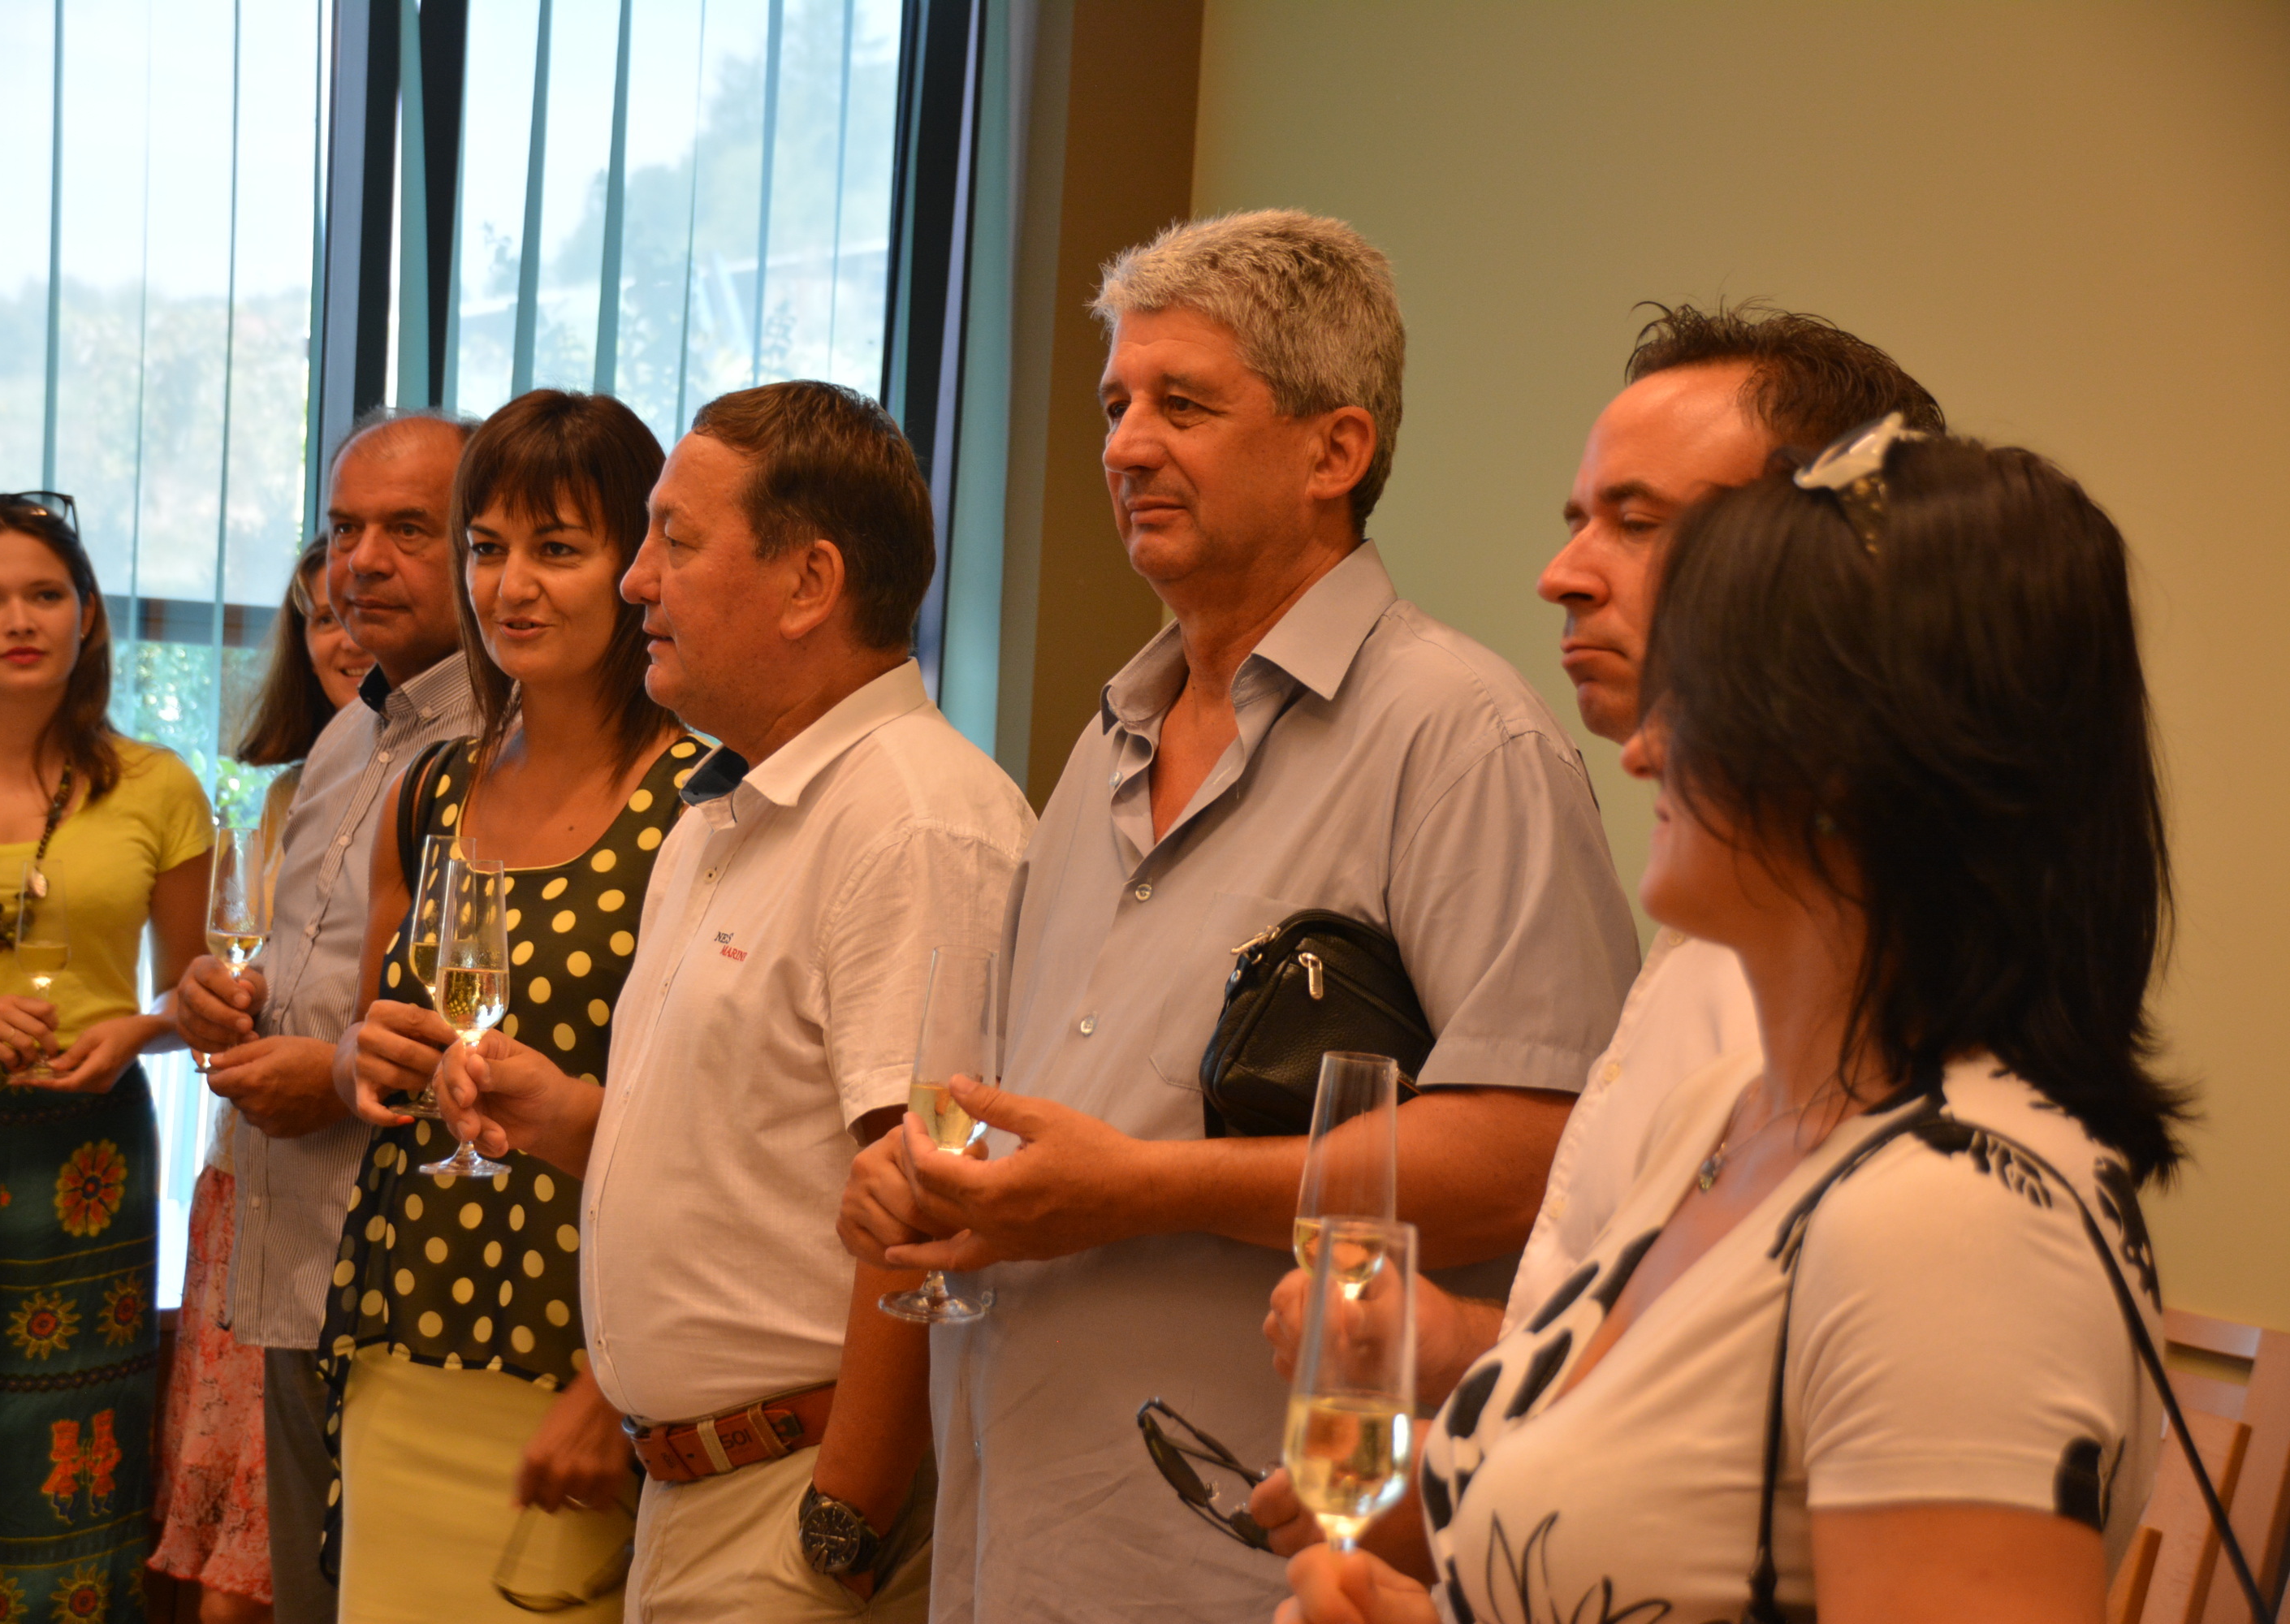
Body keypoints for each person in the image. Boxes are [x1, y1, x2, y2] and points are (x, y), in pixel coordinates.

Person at [834, 209, 1640, 1621]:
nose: (1126, 446)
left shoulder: (1464, 739)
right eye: (1116, 405)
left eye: (1185, 406)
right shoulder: (1106, 741)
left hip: (1252, 1564)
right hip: (1017, 1550)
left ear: (1337, 451)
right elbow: (1043, 1120)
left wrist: (1140, 1189)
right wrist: (939, 1190)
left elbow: (1532, 1152)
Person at [1281, 429, 2180, 1623]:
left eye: (1702, 693)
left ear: (1856, 760)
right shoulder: (1723, 1116)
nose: (1645, 746)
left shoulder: (1958, 1216)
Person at [1262, 307, 1950, 1405]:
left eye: (1637, 523)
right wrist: (1451, 1349)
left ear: (1817, 567)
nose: (1562, 575)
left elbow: (1804, 1433)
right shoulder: (1712, 937)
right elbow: (1675, 1375)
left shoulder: (1887, 1005)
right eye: (1580, 520)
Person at [434, 380, 1034, 1622]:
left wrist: (841, 1527)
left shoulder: (912, 823)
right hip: (692, 1494)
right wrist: (574, 1120)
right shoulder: (728, 809)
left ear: (810, 584)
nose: (637, 580)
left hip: (795, 1506)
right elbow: (764, 1157)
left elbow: (927, 1206)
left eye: (675, 539)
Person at [321, 389, 692, 1623]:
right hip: (407, 1317)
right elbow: (373, 1055)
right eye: (486, 547)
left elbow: (720, 1136)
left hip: (587, 1345)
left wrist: (611, 1380)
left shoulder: (702, 801)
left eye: (559, 548)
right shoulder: (432, 788)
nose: (511, 586)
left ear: (639, 566)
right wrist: (364, 1056)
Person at [0, 492, 213, 1624]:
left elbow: (200, 994)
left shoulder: (158, 786)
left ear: (88, 615)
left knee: (69, 1450)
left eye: (45, 594)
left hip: (86, 1146)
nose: (19, 620)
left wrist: (139, 1029)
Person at [175, 413, 479, 1624]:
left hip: (415, 1276)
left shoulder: (514, 740)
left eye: (409, 529)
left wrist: (336, 1073)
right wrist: (223, 1000)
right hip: (291, 1251)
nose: (362, 562)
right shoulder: (353, 731)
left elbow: (502, 1019)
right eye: (346, 528)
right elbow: (298, 967)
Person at [150, 533, 366, 1624]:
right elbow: (242, 972)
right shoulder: (286, 798)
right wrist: (201, 998)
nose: (346, 634)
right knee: (233, 1556)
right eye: (323, 616)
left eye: (361, 609)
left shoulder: (473, 778)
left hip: (351, 1184)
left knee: (302, 1554)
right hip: (246, 1176)